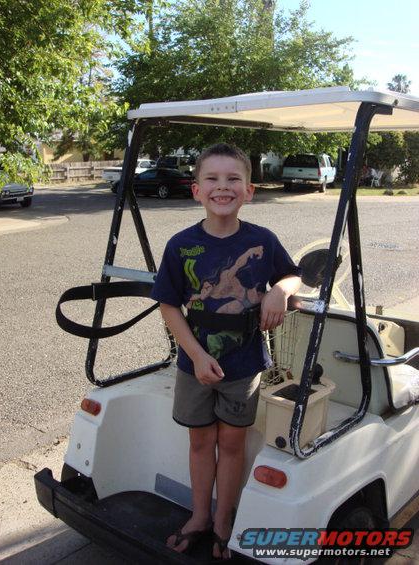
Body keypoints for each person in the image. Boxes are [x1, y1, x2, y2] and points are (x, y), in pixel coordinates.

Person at [151, 143, 301, 559]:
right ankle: (200, 516)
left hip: (244, 366)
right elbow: (168, 304)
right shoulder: (181, 245)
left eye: (233, 179)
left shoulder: (263, 241)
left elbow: (293, 277)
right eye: (212, 179)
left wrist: (278, 291)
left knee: (232, 445)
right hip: (194, 364)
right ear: (196, 190)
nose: (223, 187)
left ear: (249, 191)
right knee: (201, 444)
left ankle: (223, 521)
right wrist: (197, 356)